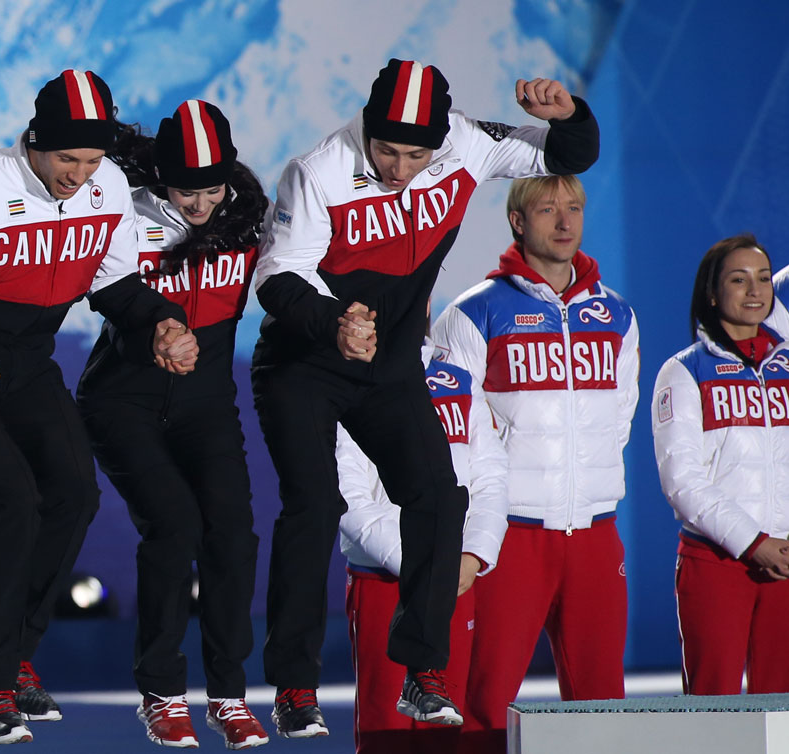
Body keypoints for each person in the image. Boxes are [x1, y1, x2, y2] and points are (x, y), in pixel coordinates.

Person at [250, 57, 599, 735]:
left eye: (417, 154)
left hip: (388, 367)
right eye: (387, 150)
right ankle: (295, 685)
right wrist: (334, 322)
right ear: (366, 130)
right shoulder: (318, 169)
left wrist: (570, 115)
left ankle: (422, 672)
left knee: (439, 495)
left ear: (441, 140)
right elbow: (277, 273)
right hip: (305, 362)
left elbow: (566, 153)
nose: (400, 168)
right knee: (316, 504)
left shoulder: (465, 141)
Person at [0, 69, 197, 745]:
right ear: (34, 142)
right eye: (67, 159)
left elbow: (115, 284)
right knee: (10, 498)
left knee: (73, 495)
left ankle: (14, 653)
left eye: (91, 161)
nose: (78, 175)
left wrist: (162, 324)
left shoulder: (107, 186)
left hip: (26, 360)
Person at [76, 100, 269, 749]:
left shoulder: (248, 215)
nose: (200, 203)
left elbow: (295, 273)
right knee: (174, 525)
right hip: (123, 400)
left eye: (211, 188)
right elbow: (104, 288)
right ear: (162, 179)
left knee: (233, 536)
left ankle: (229, 694)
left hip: (205, 404)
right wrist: (158, 323)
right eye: (187, 190)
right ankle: (161, 693)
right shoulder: (123, 214)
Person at [431, 174, 638, 754]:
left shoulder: (618, 315)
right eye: (548, 209)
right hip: (510, 538)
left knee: (602, 704)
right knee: (483, 700)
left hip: (595, 536)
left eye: (574, 208)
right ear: (518, 222)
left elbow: (618, 418)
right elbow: (453, 431)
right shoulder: (475, 312)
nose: (565, 222)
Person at [337, 327, 508, 754]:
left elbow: (491, 477)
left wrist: (473, 555)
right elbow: (346, 494)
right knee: (385, 730)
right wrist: (427, 562)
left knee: (445, 731)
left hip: (456, 577)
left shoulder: (460, 380)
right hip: (385, 581)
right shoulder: (340, 379)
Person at [653, 235, 789, 696]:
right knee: (714, 711)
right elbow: (682, 482)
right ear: (713, 293)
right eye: (739, 279)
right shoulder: (684, 371)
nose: (755, 290)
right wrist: (755, 543)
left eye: (764, 278)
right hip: (717, 563)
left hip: (787, 564)